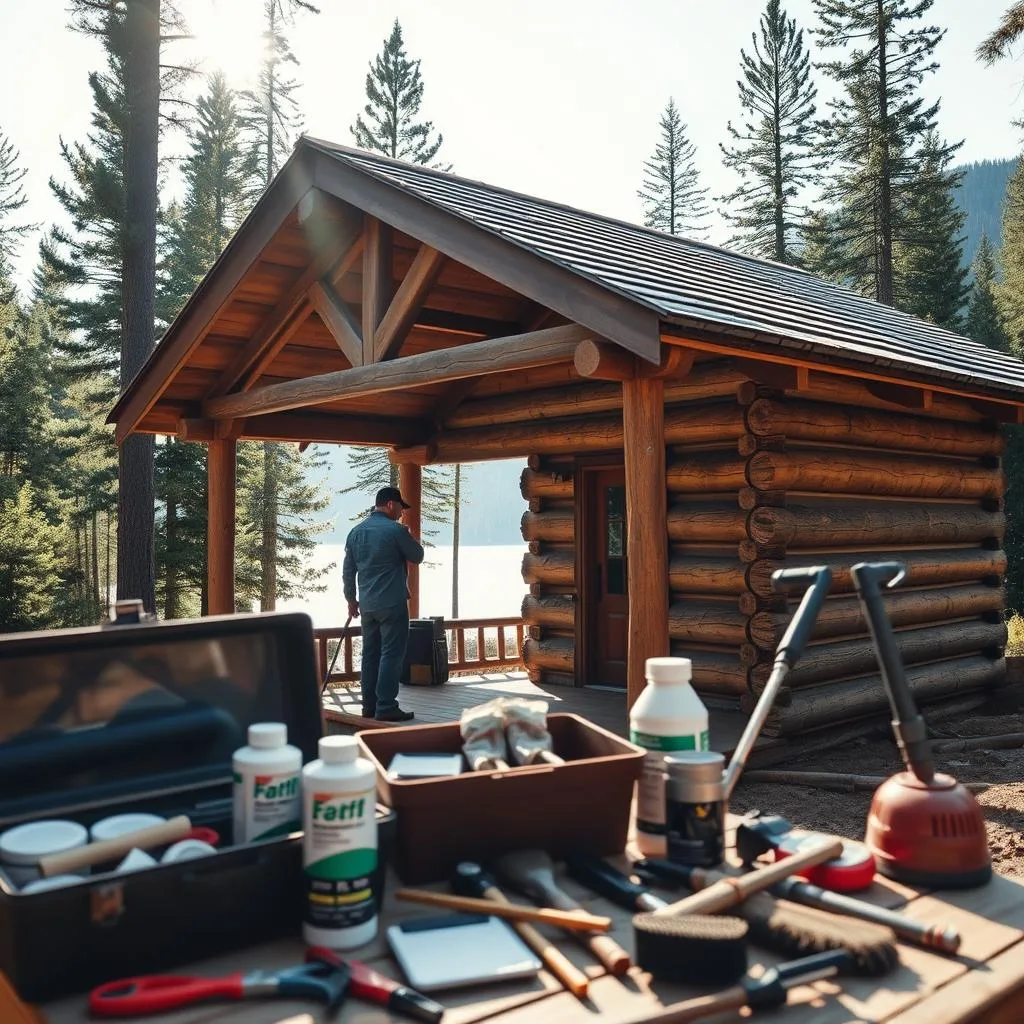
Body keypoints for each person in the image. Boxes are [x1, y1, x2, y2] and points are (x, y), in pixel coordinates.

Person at [342, 486, 424, 721]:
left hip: (367, 606)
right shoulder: (396, 531)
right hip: (392, 603)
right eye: (400, 507)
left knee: (370, 654)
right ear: (390, 504)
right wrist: (408, 535)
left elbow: (348, 571)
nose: (401, 512)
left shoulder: (355, 532)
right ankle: (386, 706)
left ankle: (369, 706)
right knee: (391, 654)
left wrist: (351, 600)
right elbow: (417, 556)